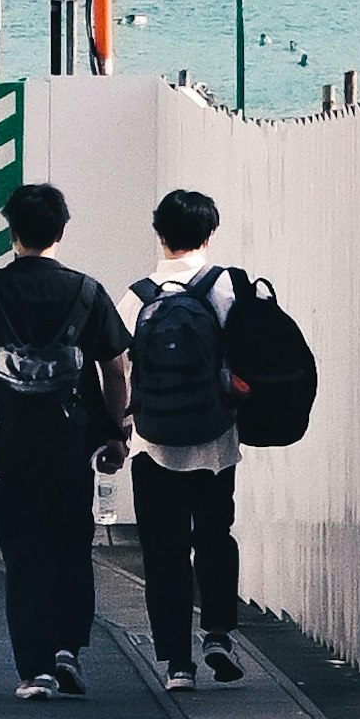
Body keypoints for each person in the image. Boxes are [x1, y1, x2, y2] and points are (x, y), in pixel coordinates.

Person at [0, 176, 127, 700]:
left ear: (11, 230)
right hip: (71, 447)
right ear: (61, 230)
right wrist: (115, 434)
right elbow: (115, 369)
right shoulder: (88, 293)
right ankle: (69, 648)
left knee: (23, 556)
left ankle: (36, 669)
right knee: (71, 547)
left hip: (7, 447)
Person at [124, 181, 251, 691]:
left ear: (159, 234)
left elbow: (118, 370)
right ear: (210, 232)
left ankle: (178, 663)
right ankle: (217, 632)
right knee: (215, 540)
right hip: (216, 444)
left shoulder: (135, 297)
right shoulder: (225, 289)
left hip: (153, 447)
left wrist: (118, 430)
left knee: (163, 553)